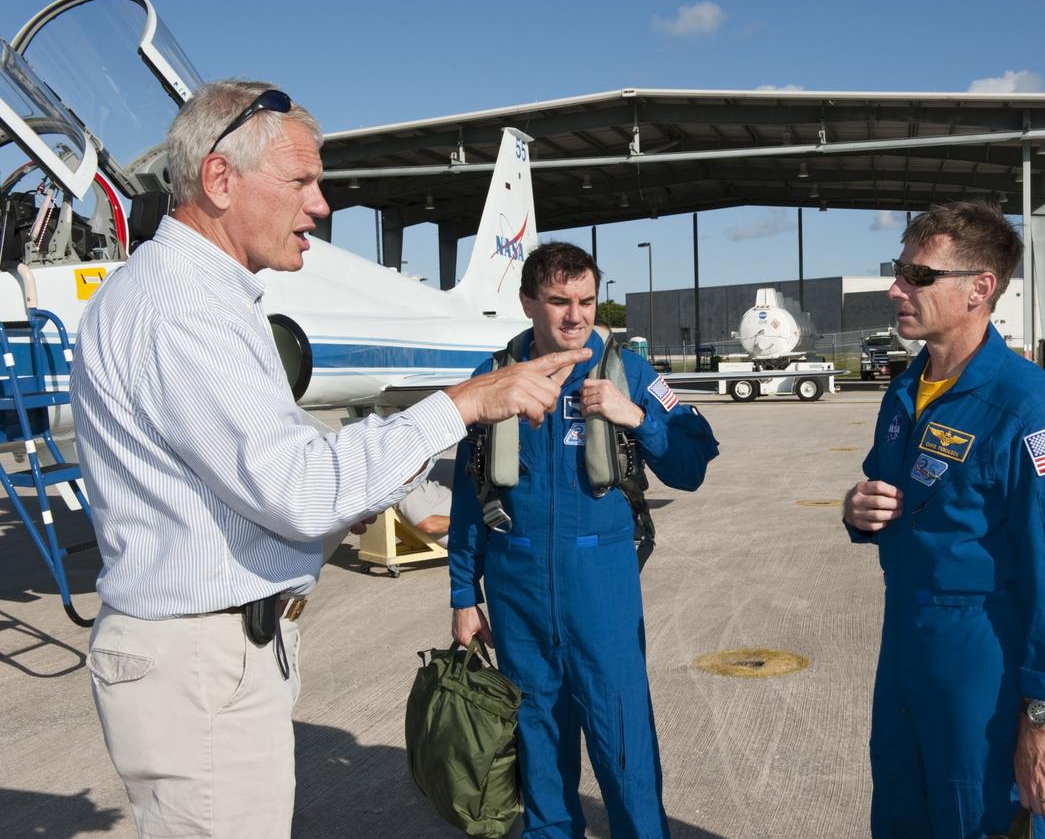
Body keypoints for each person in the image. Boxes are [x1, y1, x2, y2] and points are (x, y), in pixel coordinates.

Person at [69, 80, 588, 838]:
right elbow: (304, 489)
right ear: (220, 180)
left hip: (214, 655)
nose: (323, 205)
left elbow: (282, 467)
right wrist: (465, 404)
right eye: (302, 181)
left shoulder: (201, 297)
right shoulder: (181, 307)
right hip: (199, 664)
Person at [843, 201, 1045, 839]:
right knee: (903, 813)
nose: (895, 287)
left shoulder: (1030, 405)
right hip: (906, 634)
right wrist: (859, 510)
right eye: (898, 270)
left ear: (979, 289)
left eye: (918, 275)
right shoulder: (907, 389)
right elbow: (890, 493)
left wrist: (1041, 714)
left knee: (979, 817)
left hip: (980, 654)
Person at [449, 242, 719, 839]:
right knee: (539, 756)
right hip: (517, 592)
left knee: (623, 748)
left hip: (602, 593)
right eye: (558, 301)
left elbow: (693, 463)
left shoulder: (629, 370)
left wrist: (635, 417)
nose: (575, 316)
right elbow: (469, 496)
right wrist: (463, 595)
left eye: (587, 301)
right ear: (527, 303)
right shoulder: (494, 377)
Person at [398, 467, 453, 544]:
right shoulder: (408, 490)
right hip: (469, 530)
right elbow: (429, 525)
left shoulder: (412, 484)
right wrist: (468, 520)